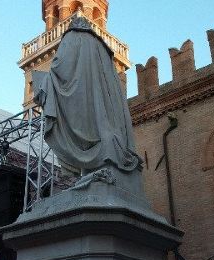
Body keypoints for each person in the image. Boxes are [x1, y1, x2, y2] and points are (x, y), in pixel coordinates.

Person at [33, 16, 141, 177]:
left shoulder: (71, 37)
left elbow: (59, 66)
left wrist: (46, 81)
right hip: (103, 110)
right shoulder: (103, 47)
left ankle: (85, 163)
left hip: (78, 104)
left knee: (80, 126)